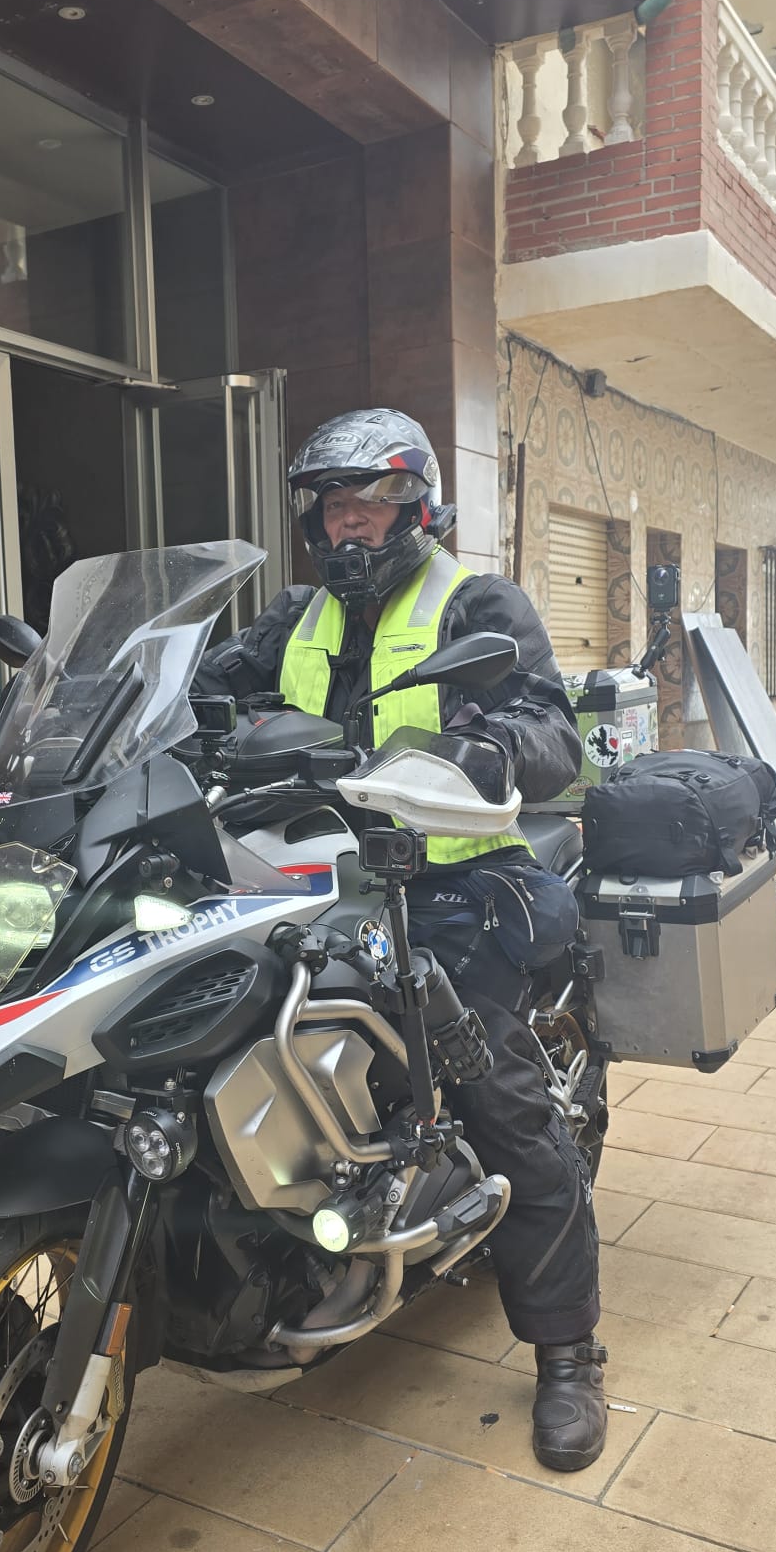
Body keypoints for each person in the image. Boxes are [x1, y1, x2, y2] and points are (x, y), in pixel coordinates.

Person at [195, 407, 607, 1471]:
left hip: (450, 885)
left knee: (499, 1096)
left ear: (417, 510)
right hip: (303, 879)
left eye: (369, 505)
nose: (349, 524)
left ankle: (567, 1350)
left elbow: (551, 730)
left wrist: (486, 747)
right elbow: (205, 690)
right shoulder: (296, 616)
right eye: (334, 506)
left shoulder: (476, 603)